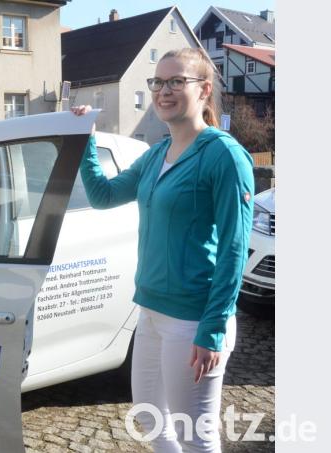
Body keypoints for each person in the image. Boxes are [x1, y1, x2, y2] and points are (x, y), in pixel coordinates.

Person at [73, 47, 253, 452]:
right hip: (151, 311)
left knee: (196, 438)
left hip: (193, 320)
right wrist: (84, 141)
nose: (163, 90)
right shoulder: (157, 153)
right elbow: (102, 195)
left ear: (204, 90)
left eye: (176, 81)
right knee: (149, 419)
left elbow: (234, 248)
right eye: (158, 81)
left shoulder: (224, 155)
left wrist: (213, 328)